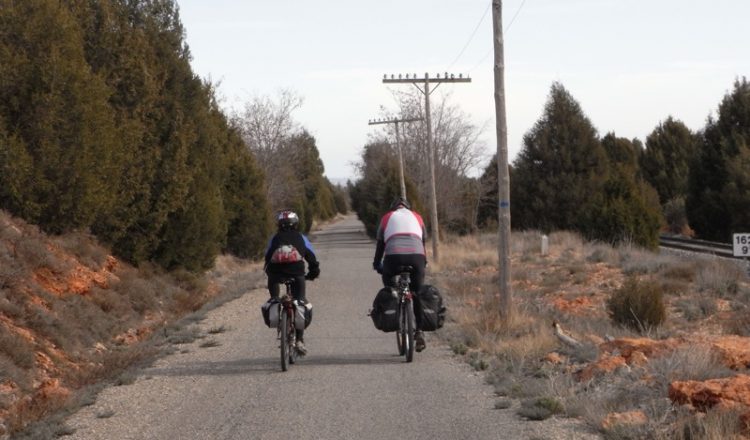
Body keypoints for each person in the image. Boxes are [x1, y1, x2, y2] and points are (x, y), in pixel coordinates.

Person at [372, 197, 428, 352]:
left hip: (393, 258)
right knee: (416, 293)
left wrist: (377, 265)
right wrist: (424, 262)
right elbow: (423, 241)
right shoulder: (417, 216)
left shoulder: (387, 217)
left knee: (389, 284)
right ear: (408, 207)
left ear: (394, 208)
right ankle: (420, 331)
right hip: (417, 257)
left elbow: (380, 244)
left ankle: (394, 301)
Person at [265, 210, 320, 355]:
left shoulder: (274, 238)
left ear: (279, 224)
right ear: (296, 223)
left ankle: (275, 299)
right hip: (296, 273)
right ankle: (300, 340)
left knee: (274, 293)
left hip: (276, 273)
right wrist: (313, 273)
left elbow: (267, 257)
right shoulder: (301, 238)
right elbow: (311, 258)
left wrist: (270, 273)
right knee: (301, 302)